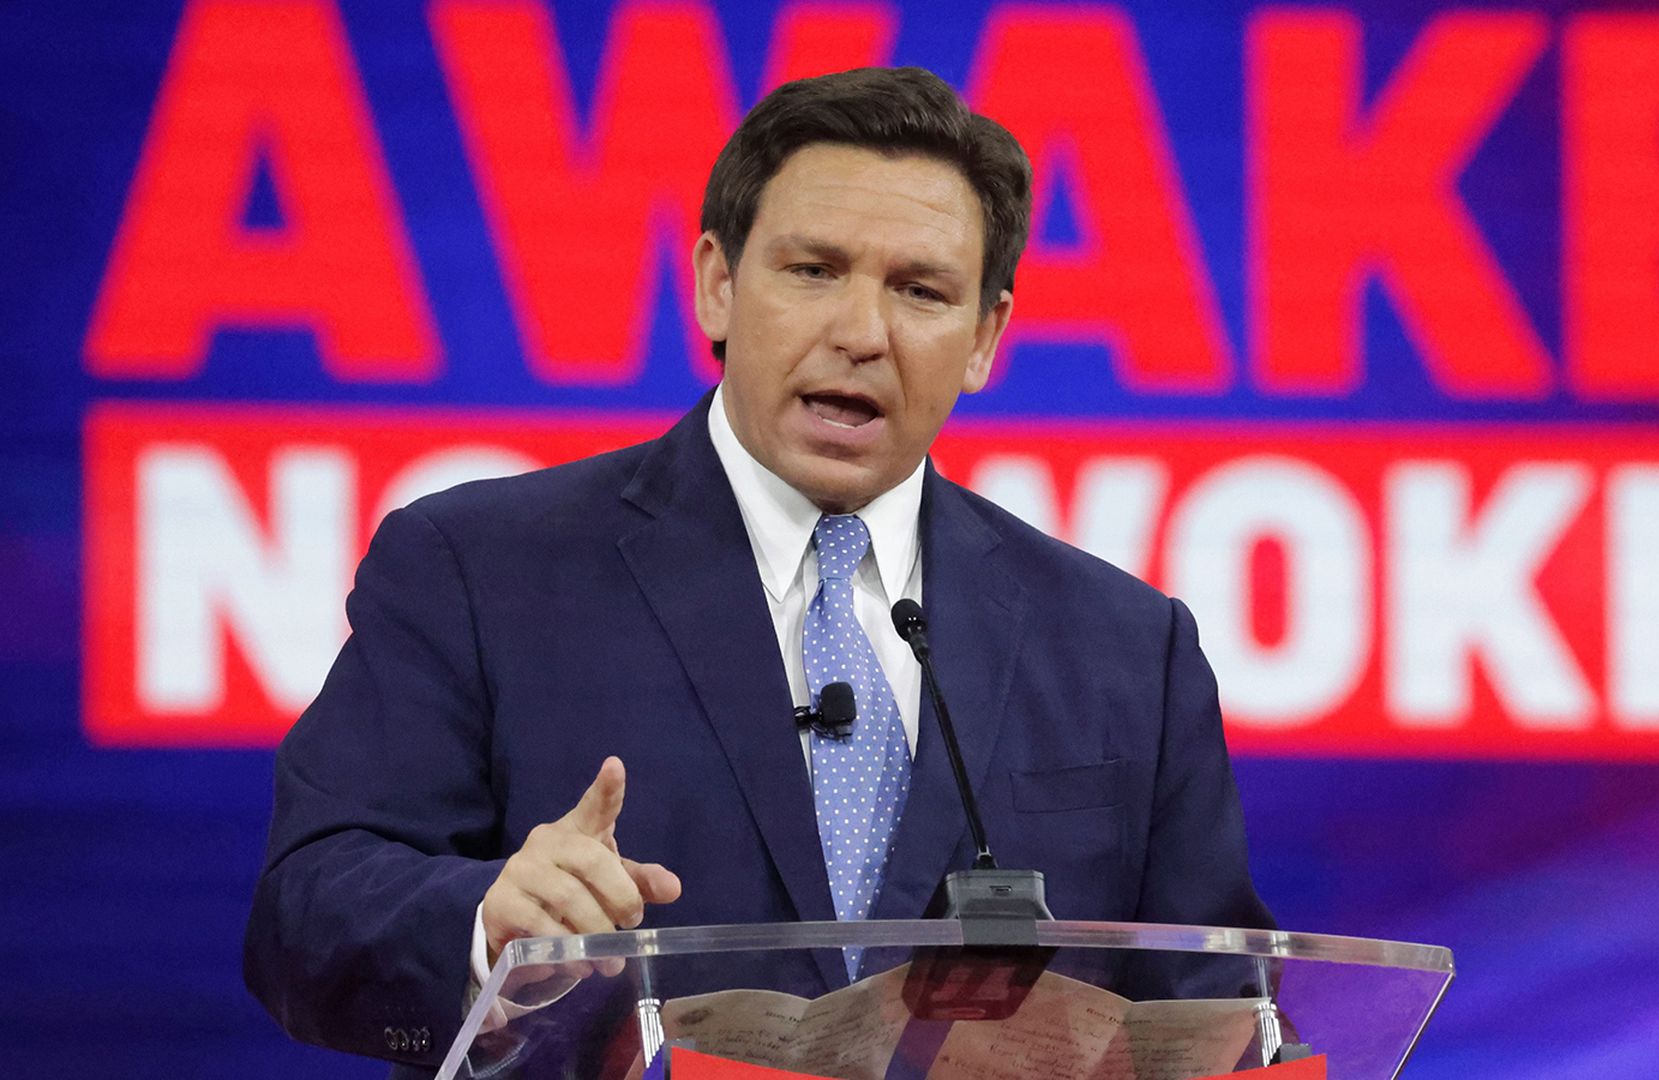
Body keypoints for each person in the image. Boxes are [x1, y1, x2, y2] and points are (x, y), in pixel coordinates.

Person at [244, 66, 1272, 1076]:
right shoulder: (478, 569)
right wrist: (486, 926)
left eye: (920, 291)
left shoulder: (1127, 647)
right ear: (718, 285)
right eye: (813, 270)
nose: (861, 334)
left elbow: (1217, 1012)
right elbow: (305, 914)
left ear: (985, 338)